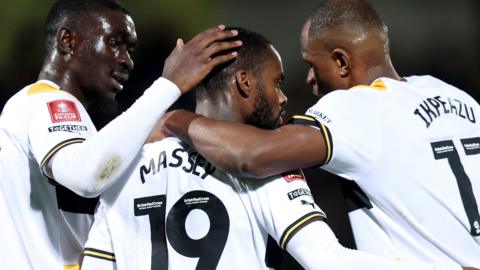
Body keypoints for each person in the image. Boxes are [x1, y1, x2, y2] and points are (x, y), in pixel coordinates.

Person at [82, 27, 464, 270]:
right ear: (245, 83)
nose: (284, 97)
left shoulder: (127, 167)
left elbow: (96, 264)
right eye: (276, 82)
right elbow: (327, 260)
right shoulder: (265, 169)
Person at [162, 0, 480, 269]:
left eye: (312, 64)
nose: (311, 80)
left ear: (341, 61)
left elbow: (252, 156)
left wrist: (172, 117)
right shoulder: (456, 97)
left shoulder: (357, 107)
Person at [0, 0, 240, 268]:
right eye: (115, 43)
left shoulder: (40, 111)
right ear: (67, 41)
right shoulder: (50, 103)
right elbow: (87, 175)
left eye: (130, 49)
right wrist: (168, 85)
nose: (127, 61)